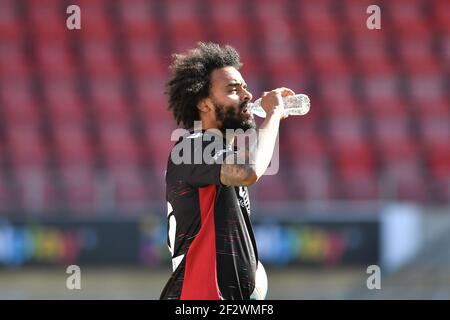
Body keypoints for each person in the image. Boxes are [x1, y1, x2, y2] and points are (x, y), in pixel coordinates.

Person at [160, 42, 294, 300]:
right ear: (204, 104)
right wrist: (274, 114)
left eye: (245, 87)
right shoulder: (193, 145)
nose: (247, 96)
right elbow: (250, 171)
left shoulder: (216, 156)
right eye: (233, 89)